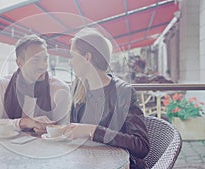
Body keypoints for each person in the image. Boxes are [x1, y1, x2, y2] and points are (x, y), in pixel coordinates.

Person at [63, 28, 150, 169]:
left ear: (87, 57)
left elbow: (141, 146)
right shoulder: (78, 89)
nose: (70, 62)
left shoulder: (123, 92)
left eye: (72, 56)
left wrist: (93, 130)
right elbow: (75, 134)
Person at [0, 34, 70, 135]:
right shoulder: (2, 86)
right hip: (7, 149)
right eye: (35, 60)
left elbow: (64, 130)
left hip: (45, 148)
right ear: (20, 63)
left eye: (45, 59)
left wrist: (48, 130)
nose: (43, 66)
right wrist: (22, 122)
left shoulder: (59, 89)